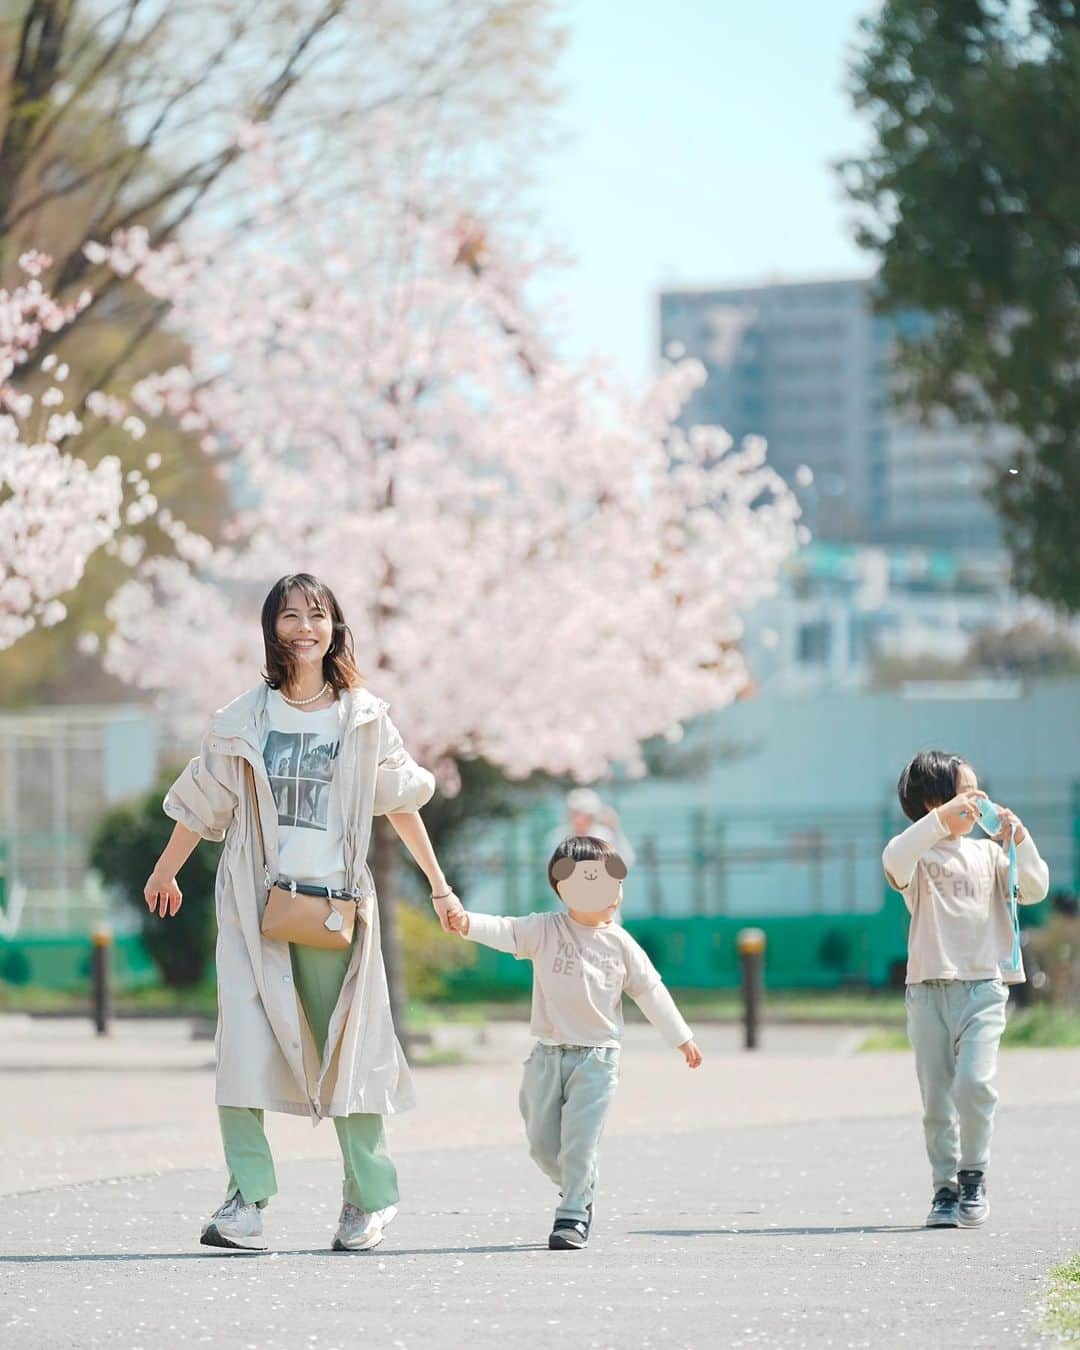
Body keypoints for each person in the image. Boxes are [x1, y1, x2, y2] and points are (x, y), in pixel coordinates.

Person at [143, 573, 464, 1253]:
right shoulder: (244, 718)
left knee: (349, 1050)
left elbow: (399, 804)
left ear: (334, 627)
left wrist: (439, 886)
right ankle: (246, 1199)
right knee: (241, 1049)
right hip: (254, 910)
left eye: (316, 615)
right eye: (290, 616)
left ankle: (366, 1197)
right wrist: (166, 866)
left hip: (333, 910)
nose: (304, 628)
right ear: (273, 629)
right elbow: (206, 797)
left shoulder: (363, 716)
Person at [447, 834, 701, 1250]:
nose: (610, 894)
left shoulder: (620, 943)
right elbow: (505, 930)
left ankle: (572, 1213)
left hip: (598, 1059)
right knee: (544, 1147)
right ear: (563, 887)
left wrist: (682, 1038)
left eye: (615, 883)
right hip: (547, 1055)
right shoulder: (545, 930)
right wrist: (466, 922)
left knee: (579, 1143)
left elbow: (651, 991)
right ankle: (579, 1185)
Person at [882, 750, 1049, 1230]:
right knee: (936, 1096)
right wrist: (938, 823)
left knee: (976, 1084)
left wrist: (1020, 838)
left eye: (980, 792)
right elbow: (894, 858)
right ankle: (944, 1188)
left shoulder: (990, 854)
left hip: (983, 988)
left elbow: (1035, 886)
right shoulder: (917, 857)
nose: (978, 802)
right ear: (936, 802)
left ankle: (973, 1176)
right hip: (928, 991)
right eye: (967, 792)